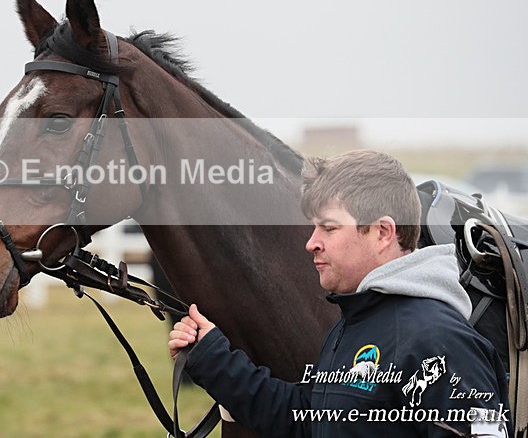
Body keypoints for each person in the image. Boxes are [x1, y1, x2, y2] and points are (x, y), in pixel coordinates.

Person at [168, 150, 511, 437]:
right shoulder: (354, 323)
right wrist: (213, 357)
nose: (311, 242)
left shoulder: (439, 340)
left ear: (382, 232)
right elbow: (307, 421)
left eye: (328, 228)